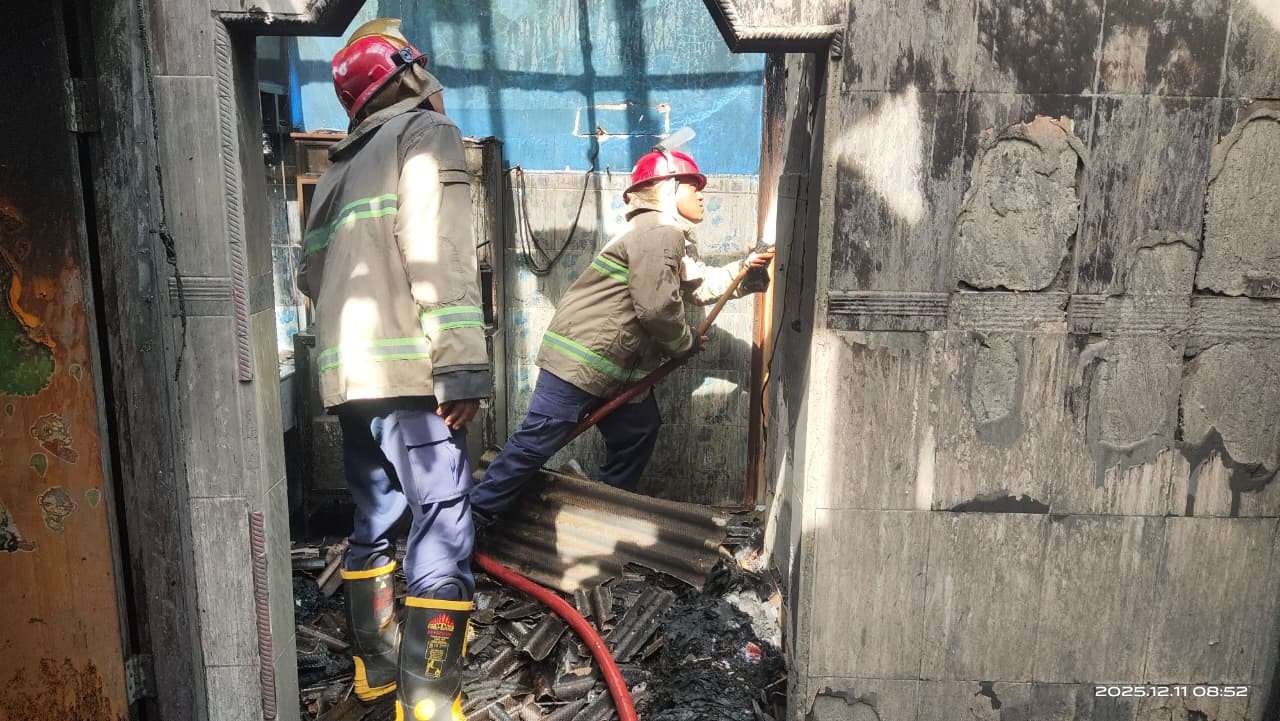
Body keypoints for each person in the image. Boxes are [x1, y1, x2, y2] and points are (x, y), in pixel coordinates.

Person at [297, 19, 486, 720]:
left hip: (349, 379)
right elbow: (440, 255)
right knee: (442, 519)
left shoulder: (336, 169)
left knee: (374, 518)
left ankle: (375, 673)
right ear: (408, 77)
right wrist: (461, 367)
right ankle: (432, 699)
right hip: (411, 377)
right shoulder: (424, 136)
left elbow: (311, 277)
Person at [470, 147, 773, 520]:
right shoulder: (659, 232)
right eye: (692, 185)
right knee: (535, 443)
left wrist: (746, 269)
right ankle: (474, 522)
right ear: (667, 188)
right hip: (580, 363)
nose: (701, 194)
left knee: (638, 429)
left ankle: (601, 513)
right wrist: (684, 343)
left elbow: (698, 286)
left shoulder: (663, 235)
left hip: (612, 367)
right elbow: (657, 308)